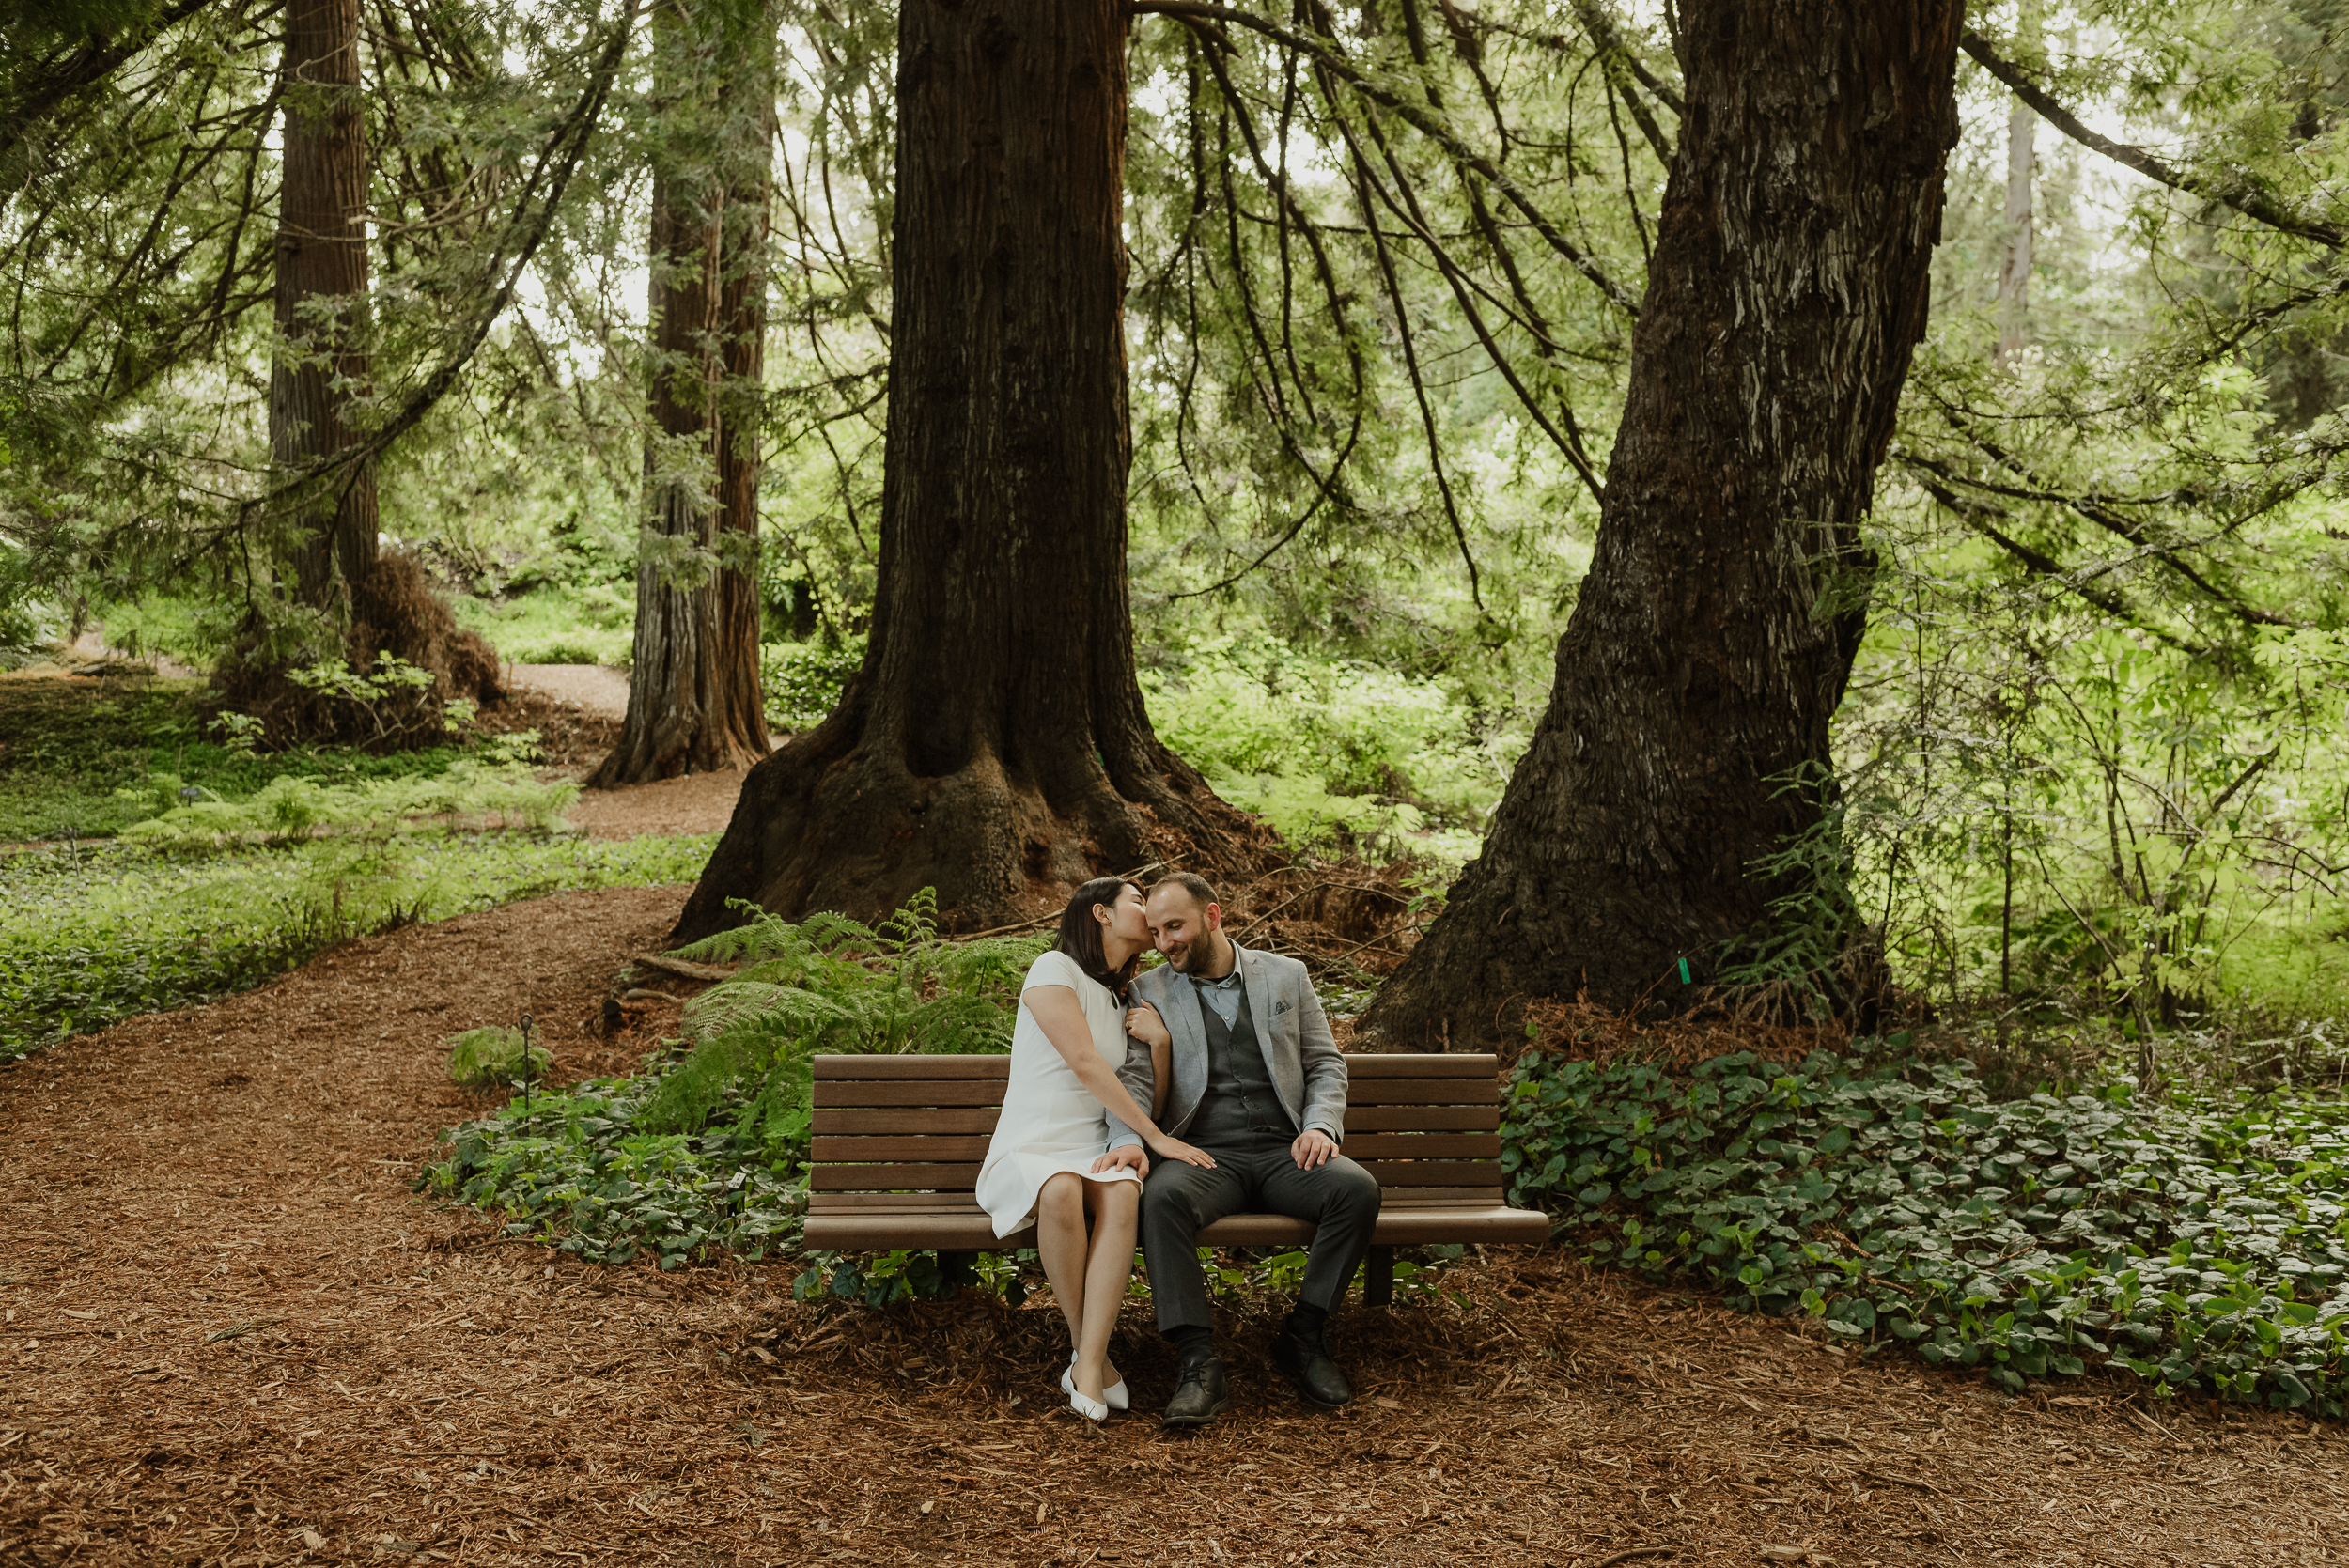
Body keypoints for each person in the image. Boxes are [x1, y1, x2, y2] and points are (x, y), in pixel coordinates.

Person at [1107, 873, 1382, 1425]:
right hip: (1204, 1155)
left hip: (1286, 1149)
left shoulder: (1287, 976)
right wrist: (1128, 1142)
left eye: (1175, 926)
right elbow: (1133, 1079)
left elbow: (1326, 1063)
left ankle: (1304, 1338)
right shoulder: (1150, 991)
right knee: (1159, 1200)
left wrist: (1321, 1128)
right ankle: (1197, 1362)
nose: (1165, 942)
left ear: (1211, 916)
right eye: (1156, 931)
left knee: (1355, 1191)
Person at [972, 877, 1216, 1422]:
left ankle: (1086, 1361)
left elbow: (1138, 1098)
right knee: (1058, 1190)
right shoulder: (1053, 970)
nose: (1150, 914)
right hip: (1034, 1141)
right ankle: (1093, 1360)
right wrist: (1155, 1141)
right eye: (1139, 903)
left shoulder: (1126, 997)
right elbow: (1084, 1063)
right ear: (1101, 913)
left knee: (1124, 1194)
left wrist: (1161, 1043)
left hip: (1094, 1144)